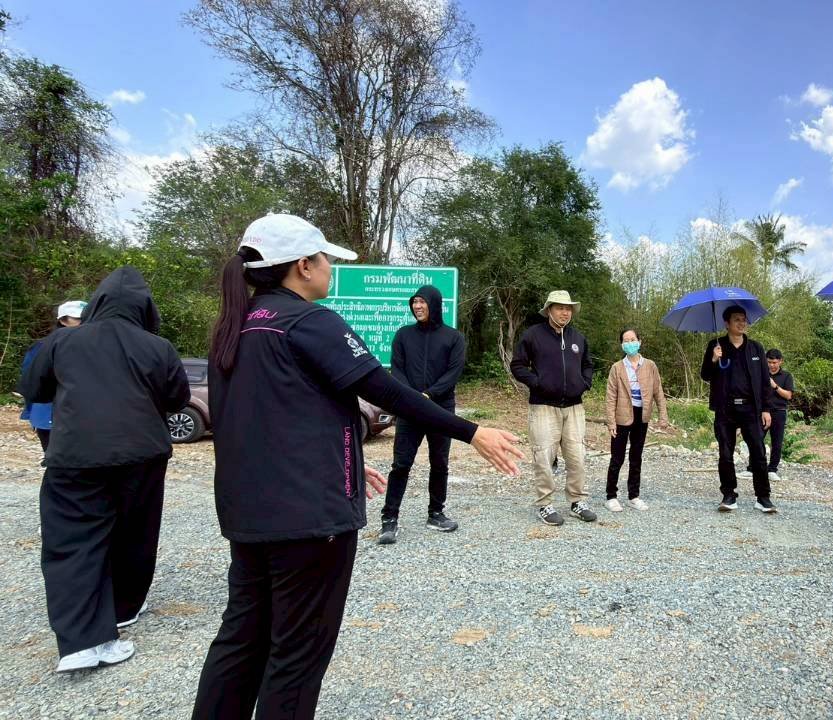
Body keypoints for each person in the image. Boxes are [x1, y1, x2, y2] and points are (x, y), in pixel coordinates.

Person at [192, 214, 522, 719]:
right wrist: (472, 432)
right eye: (325, 259)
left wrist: (335, 458)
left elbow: (264, 421)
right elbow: (387, 391)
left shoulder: (235, 326)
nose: (330, 269)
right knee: (296, 654)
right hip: (309, 521)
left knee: (242, 638)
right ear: (303, 265)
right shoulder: (309, 321)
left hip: (248, 513)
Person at [20, 268, 190, 673]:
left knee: (72, 541)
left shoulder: (62, 340)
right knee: (135, 533)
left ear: (96, 303)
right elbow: (177, 398)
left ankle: (82, 643)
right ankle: (124, 608)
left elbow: (34, 389)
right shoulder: (158, 347)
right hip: (142, 454)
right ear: (145, 308)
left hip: (75, 454)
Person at [378, 284, 466, 543]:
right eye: (414, 302)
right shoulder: (403, 335)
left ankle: (436, 513)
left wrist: (429, 395)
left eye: (422, 302)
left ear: (434, 304)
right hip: (409, 409)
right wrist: (413, 398)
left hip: (441, 408)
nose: (417, 306)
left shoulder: (453, 337)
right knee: (401, 464)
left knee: (439, 463)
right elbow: (397, 369)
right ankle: (389, 519)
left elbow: (453, 372)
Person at [510, 290, 597, 526]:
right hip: (543, 407)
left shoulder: (578, 338)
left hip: (574, 408)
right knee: (543, 456)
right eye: (560, 308)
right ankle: (545, 504)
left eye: (568, 309)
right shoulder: (533, 335)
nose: (565, 313)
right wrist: (537, 383)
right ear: (549, 310)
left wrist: (584, 383)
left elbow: (588, 364)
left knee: (577, 456)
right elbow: (517, 365)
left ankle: (577, 501)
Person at [701, 305, 775, 513]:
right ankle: (729, 495)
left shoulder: (756, 348)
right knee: (725, 453)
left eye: (744, 319)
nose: (742, 323)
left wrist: (766, 409)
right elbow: (705, 375)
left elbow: (764, 381)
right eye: (737, 320)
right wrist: (714, 359)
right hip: (725, 409)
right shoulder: (716, 345)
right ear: (727, 323)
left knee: (758, 452)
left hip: (751, 409)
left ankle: (763, 497)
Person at [603, 328, 670, 512]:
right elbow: (610, 397)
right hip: (622, 415)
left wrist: (663, 416)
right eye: (626, 340)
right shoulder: (617, 368)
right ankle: (611, 496)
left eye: (633, 339)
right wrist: (611, 422)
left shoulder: (650, 365)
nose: (630, 343)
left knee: (636, 456)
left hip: (642, 415)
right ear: (622, 345)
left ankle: (634, 496)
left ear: (639, 342)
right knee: (617, 457)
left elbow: (658, 392)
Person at [19, 300, 86, 451]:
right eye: (77, 318)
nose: (83, 322)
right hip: (49, 415)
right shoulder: (42, 347)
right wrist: (31, 412)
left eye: (87, 318)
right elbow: (31, 383)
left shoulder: (97, 346)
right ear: (63, 320)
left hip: (84, 417)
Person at [763, 348, 794, 483]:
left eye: (774, 362)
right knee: (756, 440)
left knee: (777, 442)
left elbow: (788, 395)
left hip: (779, 412)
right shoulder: (761, 373)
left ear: (780, 361)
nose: (772, 365)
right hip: (762, 412)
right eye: (769, 362)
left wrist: (775, 386)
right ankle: (752, 468)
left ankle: (772, 470)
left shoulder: (787, 376)